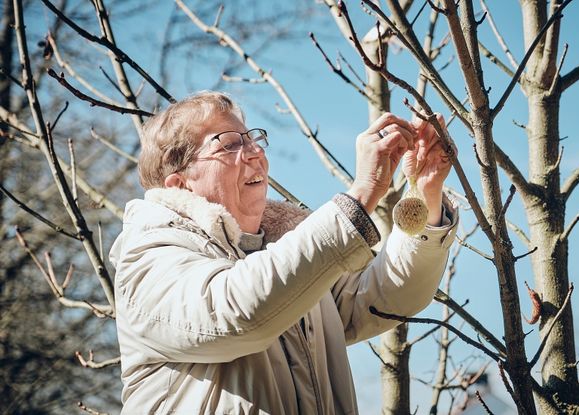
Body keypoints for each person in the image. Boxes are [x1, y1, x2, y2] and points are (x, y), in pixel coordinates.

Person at [109, 91, 458, 414]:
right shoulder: (148, 255)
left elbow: (386, 296)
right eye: (228, 144)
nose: (255, 152)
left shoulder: (285, 250)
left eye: (253, 139)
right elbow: (238, 314)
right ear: (180, 182)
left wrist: (424, 190)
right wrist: (362, 193)